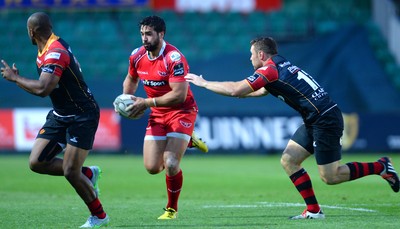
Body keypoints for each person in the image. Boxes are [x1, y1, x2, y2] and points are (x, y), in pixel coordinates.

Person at [184, 37, 399, 219]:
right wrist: (242, 94)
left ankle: (381, 167)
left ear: (261, 55)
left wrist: (205, 83)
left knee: (331, 176)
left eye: (251, 54)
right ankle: (314, 210)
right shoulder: (280, 64)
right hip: (314, 118)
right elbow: (259, 91)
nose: (249, 58)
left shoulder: (269, 69)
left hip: (325, 119)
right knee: (289, 160)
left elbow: (235, 90)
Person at [0, 12, 109, 228]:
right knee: (37, 162)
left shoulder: (55, 52)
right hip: (60, 114)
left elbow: (43, 88)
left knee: (70, 171)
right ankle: (88, 173)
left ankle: (100, 216)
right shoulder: (45, 47)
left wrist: (14, 79)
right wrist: (17, 80)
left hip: (82, 115)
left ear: (32, 32)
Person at [116, 15, 208, 220]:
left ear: (161, 34)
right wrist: (126, 101)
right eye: (142, 34)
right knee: (152, 168)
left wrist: (146, 103)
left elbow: (179, 95)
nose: (144, 38)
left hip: (181, 111)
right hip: (158, 113)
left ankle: (171, 209)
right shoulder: (137, 56)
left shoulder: (174, 58)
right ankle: (188, 139)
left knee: (171, 162)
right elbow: (131, 78)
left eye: (148, 34)